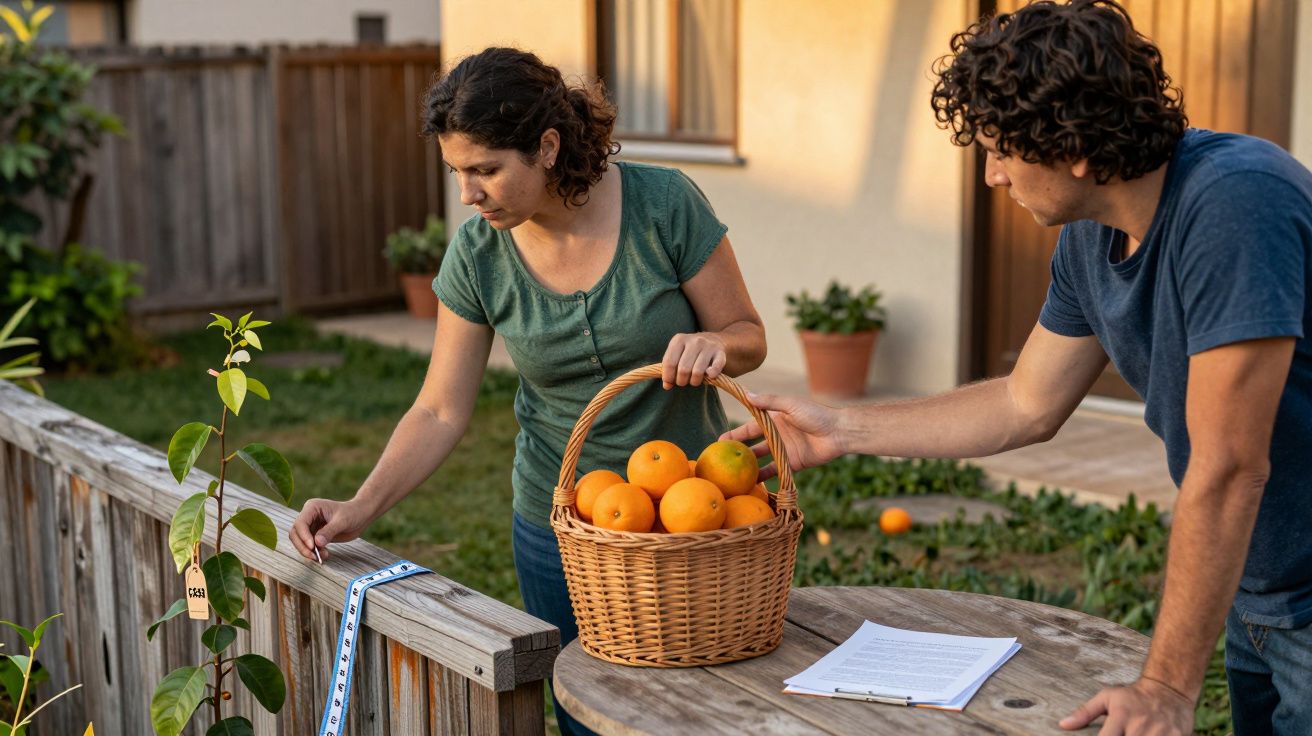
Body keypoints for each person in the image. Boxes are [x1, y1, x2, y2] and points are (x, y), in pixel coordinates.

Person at [724, 1, 1312, 734]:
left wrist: (1163, 686)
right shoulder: (1091, 240)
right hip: (1261, 589)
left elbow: (1228, 466)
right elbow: (1024, 402)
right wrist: (841, 428)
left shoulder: (1235, 202)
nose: (993, 175)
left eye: (1001, 150)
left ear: (1072, 149)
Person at [288, 47, 766, 735]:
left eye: (485, 170)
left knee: (701, 710)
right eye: (458, 172)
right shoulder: (479, 254)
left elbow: (747, 334)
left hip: (690, 512)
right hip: (558, 525)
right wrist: (362, 505)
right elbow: (439, 407)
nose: (468, 195)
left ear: (546, 146)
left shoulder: (664, 205)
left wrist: (721, 345)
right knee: (584, 713)